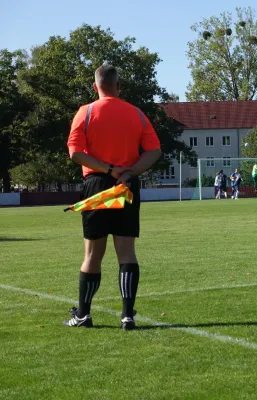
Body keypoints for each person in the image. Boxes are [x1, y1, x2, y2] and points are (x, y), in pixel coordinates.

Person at [65, 65, 161, 330]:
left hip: (97, 184)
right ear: (119, 87)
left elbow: (75, 153)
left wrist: (108, 169)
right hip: (126, 185)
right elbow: (154, 151)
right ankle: (127, 315)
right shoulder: (137, 114)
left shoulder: (85, 112)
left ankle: (83, 315)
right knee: (127, 252)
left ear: (95, 87)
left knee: (93, 253)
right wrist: (128, 171)